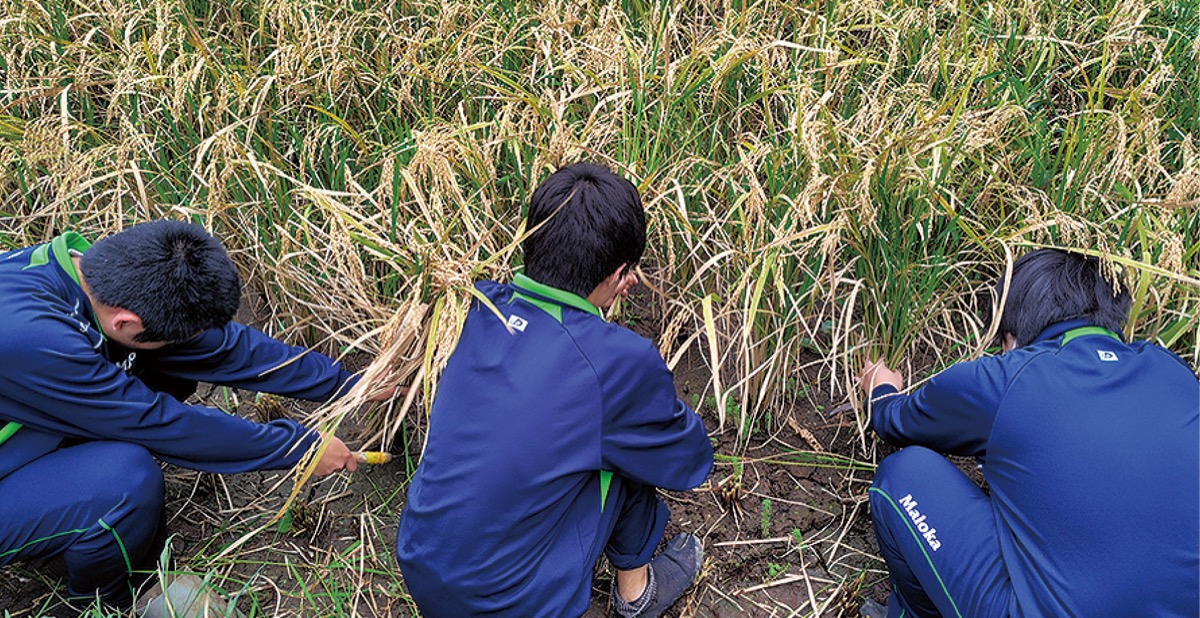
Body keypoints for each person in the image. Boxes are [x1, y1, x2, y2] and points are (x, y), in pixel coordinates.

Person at [395, 162, 714, 617]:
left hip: (422, 565)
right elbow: (688, 461)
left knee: (595, 434)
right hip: (505, 604)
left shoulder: (481, 306)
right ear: (618, 274)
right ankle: (636, 596)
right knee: (630, 446)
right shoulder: (617, 362)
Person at [0, 220, 371, 609]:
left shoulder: (87, 277)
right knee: (125, 482)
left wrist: (349, 384)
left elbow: (221, 348)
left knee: (155, 360)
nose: (184, 343)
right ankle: (108, 605)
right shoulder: (35, 340)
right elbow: (159, 424)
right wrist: (299, 448)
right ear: (124, 321)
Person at [857, 248, 1199, 617]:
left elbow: (894, 421)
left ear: (1011, 337)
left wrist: (881, 389)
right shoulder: (1175, 374)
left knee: (904, 474)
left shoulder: (1005, 378)